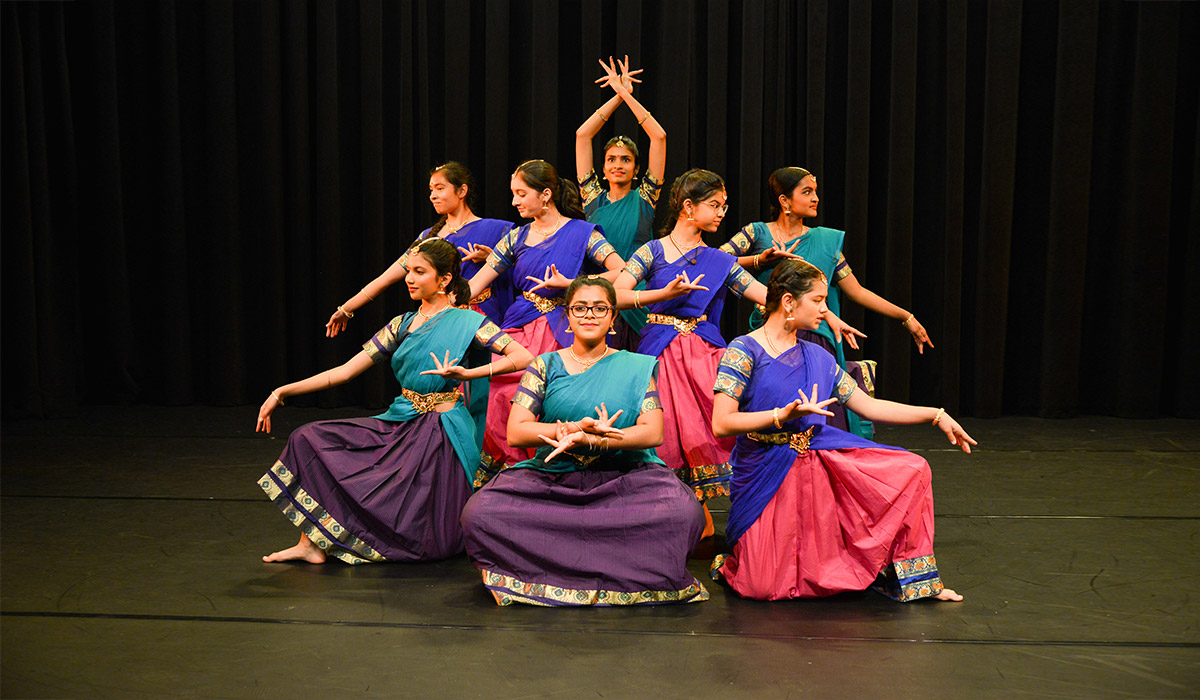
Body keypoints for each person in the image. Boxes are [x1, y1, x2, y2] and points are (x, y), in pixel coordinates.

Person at [710, 258, 973, 602]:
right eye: (817, 300)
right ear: (789, 301)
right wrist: (780, 415)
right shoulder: (743, 351)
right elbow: (721, 423)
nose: (825, 308)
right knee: (761, 586)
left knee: (913, 470)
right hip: (765, 469)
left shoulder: (818, 357)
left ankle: (911, 579)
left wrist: (936, 415)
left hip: (816, 465)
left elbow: (868, 406)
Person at [255, 239, 532, 564]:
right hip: (402, 419)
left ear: (443, 280)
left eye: (419, 272)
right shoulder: (401, 324)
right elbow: (344, 372)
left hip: (441, 433)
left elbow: (522, 356)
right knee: (308, 438)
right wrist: (282, 392)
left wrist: (470, 375)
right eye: (408, 272)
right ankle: (311, 543)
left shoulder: (468, 322)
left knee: (432, 538)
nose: (410, 279)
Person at [611, 169, 862, 521]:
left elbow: (768, 297)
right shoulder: (652, 252)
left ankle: (707, 517)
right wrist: (662, 294)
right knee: (662, 435)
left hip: (701, 357)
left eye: (724, 207)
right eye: (714, 205)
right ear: (687, 207)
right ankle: (664, 519)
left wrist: (823, 311)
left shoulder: (721, 262)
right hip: (658, 356)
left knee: (708, 436)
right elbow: (616, 295)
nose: (720, 213)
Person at [461, 276, 709, 606]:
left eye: (599, 308)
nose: (589, 314)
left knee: (683, 512)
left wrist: (598, 441)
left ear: (612, 319)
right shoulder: (544, 365)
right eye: (579, 308)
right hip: (555, 477)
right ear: (567, 318)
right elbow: (518, 430)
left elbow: (653, 432)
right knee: (480, 513)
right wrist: (571, 429)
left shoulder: (635, 366)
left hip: (625, 478)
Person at [721, 166, 928, 438]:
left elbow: (857, 290)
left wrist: (906, 317)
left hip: (817, 339)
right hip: (772, 340)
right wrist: (761, 260)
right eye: (806, 192)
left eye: (815, 192)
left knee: (823, 419)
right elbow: (714, 261)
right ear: (784, 200)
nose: (815, 198)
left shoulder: (826, 243)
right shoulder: (757, 233)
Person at [464, 159, 626, 483]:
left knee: (552, 400)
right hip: (520, 329)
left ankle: (553, 476)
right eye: (513, 194)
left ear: (546, 194)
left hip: (561, 331)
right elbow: (478, 282)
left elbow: (621, 270)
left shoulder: (582, 233)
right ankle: (514, 480)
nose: (514, 202)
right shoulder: (516, 238)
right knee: (502, 399)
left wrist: (571, 285)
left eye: (521, 193)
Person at [325, 162, 514, 333]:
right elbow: (386, 278)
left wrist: (491, 258)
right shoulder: (428, 237)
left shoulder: (497, 229)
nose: (433, 196)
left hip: (481, 320)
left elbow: (525, 274)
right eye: (431, 189)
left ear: (462, 191)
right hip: (438, 318)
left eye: (440, 188)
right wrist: (347, 308)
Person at [576, 56, 667, 350]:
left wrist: (627, 94)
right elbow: (582, 135)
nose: (618, 165)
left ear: (636, 169)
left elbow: (659, 136)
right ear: (602, 168)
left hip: (636, 298)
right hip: (596, 297)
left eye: (626, 160)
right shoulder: (591, 198)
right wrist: (616, 96)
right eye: (611, 159)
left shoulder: (645, 198)